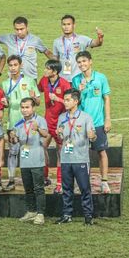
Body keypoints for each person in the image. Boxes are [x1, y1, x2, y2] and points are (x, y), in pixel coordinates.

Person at [55, 89, 97, 226]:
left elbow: (92, 135)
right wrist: (59, 134)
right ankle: (67, 214)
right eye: (64, 100)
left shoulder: (86, 117)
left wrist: (92, 136)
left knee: (85, 188)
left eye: (67, 100)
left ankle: (88, 215)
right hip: (66, 159)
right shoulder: (62, 118)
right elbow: (60, 138)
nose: (65, 102)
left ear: (76, 101)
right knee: (67, 189)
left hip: (81, 159)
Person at [72, 50, 112, 194]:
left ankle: (104, 182)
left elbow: (106, 98)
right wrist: (79, 91)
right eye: (79, 62)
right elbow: (73, 102)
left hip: (98, 122)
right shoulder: (76, 80)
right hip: (80, 123)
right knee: (80, 154)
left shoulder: (101, 78)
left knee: (101, 152)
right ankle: (81, 182)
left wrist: (107, 118)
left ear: (90, 61)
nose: (82, 64)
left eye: (84, 61)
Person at [0, 55, 39, 192]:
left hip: (29, 124)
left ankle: (30, 180)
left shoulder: (30, 81)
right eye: (10, 65)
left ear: (20, 65)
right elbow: (5, 104)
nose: (13, 68)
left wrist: (34, 98)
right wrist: (4, 104)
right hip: (13, 124)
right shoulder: (4, 84)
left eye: (15, 65)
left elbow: (38, 102)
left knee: (29, 151)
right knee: (13, 152)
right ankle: (11, 180)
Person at [11, 98, 50, 225]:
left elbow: (46, 135)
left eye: (27, 107)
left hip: (37, 160)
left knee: (39, 188)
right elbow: (16, 141)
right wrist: (12, 138)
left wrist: (38, 128)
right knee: (28, 188)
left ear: (33, 108)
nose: (24, 110)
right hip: (24, 161)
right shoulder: (18, 124)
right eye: (22, 107)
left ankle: (40, 213)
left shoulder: (40, 120)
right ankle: (31, 211)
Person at [38, 59, 72, 194]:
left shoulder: (64, 84)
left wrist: (58, 99)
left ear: (55, 71)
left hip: (60, 123)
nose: (45, 70)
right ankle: (45, 177)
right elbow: (39, 89)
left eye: (47, 68)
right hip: (47, 122)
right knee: (41, 147)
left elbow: (71, 104)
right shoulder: (44, 81)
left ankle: (60, 183)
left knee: (60, 152)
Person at [0, 16, 53, 81]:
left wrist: (57, 64)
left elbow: (47, 52)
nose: (19, 32)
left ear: (27, 28)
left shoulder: (35, 40)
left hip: (30, 78)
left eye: (21, 29)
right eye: (17, 29)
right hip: (13, 78)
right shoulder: (9, 38)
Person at [52, 14, 104, 81]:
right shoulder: (57, 41)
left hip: (78, 78)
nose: (66, 27)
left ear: (74, 25)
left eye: (68, 24)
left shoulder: (82, 39)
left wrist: (100, 37)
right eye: (64, 24)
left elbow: (97, 43)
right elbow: (55, 60)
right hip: (62, 79)